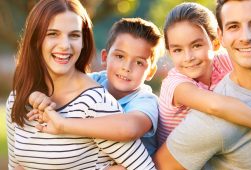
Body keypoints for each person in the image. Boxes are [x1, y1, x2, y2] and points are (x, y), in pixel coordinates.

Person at [5, 0, 155, 169]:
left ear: (84, 42)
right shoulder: (17, 98)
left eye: (74, 35)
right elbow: (16, 166)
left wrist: (63, 124)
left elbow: (144, 167)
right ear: (35, 39)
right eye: (53, 33)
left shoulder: (95, 102)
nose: (64, 45)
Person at [154, 0, 251, 169]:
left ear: (216, 42)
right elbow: (216, 106)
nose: (188, 57)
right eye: (177, 50)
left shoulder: (223, 61)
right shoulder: (178, 85)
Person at [27, 17, 164, 156]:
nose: (126, 68)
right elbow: (58, 89)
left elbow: (129, 129)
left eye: (139, 63)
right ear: (104, 58)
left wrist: (63, 125)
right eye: (120, 56)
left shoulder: (146, 101)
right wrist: (37, 96)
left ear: (151, 71)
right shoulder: (94, 81)